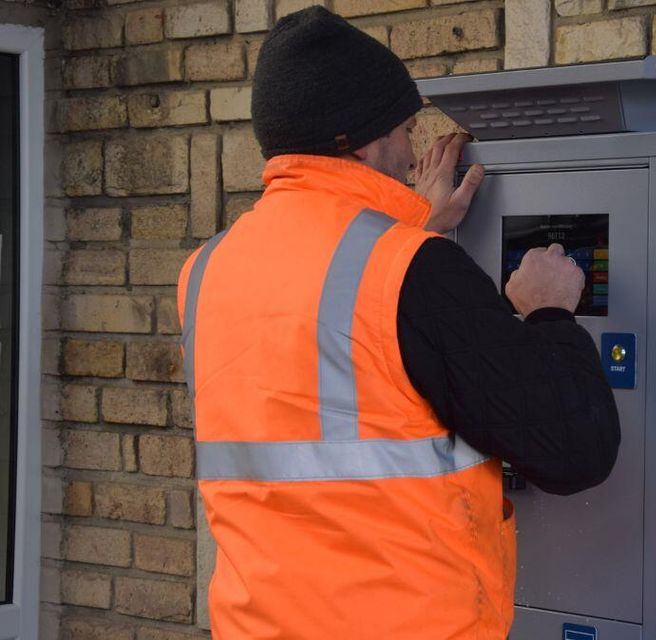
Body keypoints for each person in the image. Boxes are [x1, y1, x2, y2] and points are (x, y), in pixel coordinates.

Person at [177, 7, 620, 639]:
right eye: (406, 130)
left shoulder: (207, 269)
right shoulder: (414, 272)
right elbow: (574, 450)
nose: (414, 154)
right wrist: (547, 311)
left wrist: (413, 228)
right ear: (358, 139)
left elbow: (339, 361)